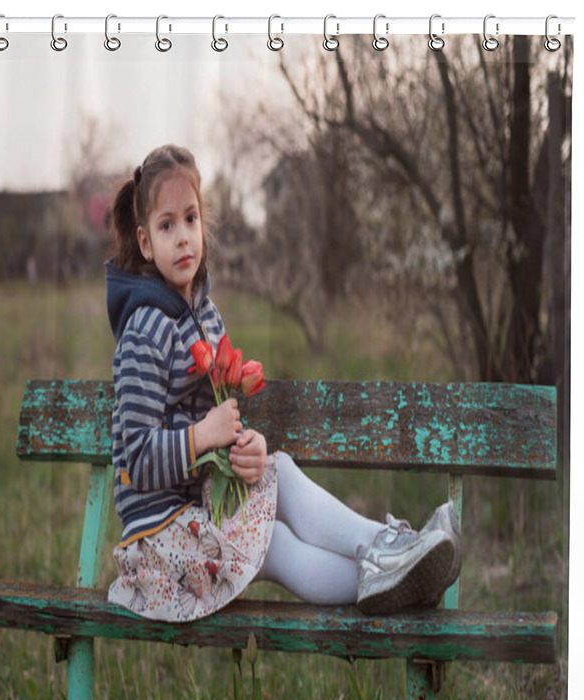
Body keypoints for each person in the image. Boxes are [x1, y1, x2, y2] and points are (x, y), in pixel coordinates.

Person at [105, 144, 461, 623]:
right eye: (166, 226)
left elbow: (217, 426)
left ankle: (390, 557)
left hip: (196, 516)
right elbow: (137, 463)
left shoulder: (205, 318)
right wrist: (203, 435)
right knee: (273, 542)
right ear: (146, 243)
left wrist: (241, 450)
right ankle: (395, 565)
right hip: (162, 545)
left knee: (279, 469)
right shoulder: (144, 329)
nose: (183, 237)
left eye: (191, 219)